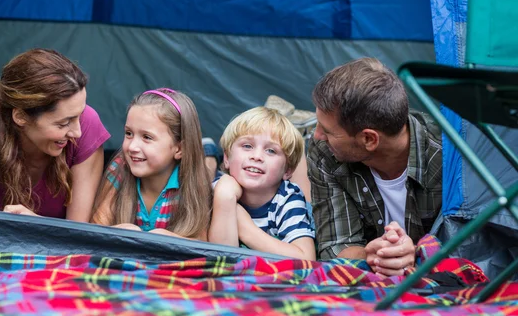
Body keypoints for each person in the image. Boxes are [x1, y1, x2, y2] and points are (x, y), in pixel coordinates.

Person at [308, 57, 442, 277]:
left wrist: (419, 255)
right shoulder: (325, 154)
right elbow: (335, 245)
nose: (317, 136)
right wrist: (372, 255)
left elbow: (478, 247)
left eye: (327, 131)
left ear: (369, 139)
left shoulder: (451, 156)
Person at [0, 49, 110, 221]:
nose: (77, 132)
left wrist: (35, 225)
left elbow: (79, 236)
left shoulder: (88, 126)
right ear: (20, 117)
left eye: (79, 116)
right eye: (63, 123)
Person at [91, 88, 212, 240]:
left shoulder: (193, 183)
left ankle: (210, 155)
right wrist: (119, 232)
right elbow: (95, 229)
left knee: (209, 170)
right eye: (129, 133)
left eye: (147, 137)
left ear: (179, 148)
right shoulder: (120, 168)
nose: (132, 147)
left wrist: (165, 239)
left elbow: (203, 245)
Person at [208, 107, 316, 260]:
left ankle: (299, 131)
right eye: (247, 146)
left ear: (287, 171)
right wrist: (225, 198)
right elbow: (222, 259)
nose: (257, 156)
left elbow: (307, 259)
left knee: (309, 201)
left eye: (271, 151)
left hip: (301, 208)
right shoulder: (218, 190)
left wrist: (245, 228)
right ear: (226, 158)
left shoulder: (288, 199)